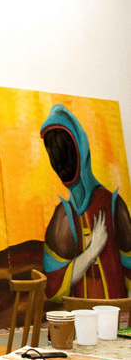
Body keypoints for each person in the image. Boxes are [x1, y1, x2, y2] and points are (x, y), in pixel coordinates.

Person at [40, 104, 131, 301]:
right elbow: (53, 288)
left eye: (65, 151)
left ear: (81, 149)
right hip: (80, 315)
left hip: (117, 314)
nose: (61, 162)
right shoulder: (64, 215)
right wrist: (92, 251)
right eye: (56, 155)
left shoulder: (112, 204)